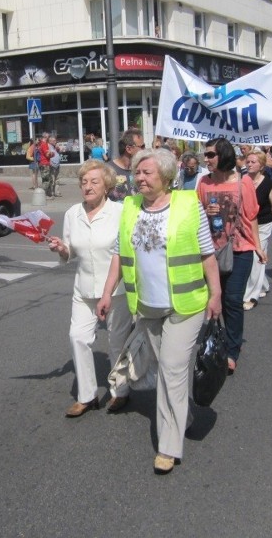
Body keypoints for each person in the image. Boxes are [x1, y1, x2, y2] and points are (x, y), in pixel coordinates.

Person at [97, 148, 221, 474]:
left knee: (171, 368)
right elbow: (120, 255)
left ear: (166, 177)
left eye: (147, 173)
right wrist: (108, 293)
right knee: (167, 372)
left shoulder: (188, 204)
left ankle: (168, 446)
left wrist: (216, 294)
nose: (139, 178)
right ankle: (186, 416)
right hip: (147, 307)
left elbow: (207, 254)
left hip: (186, 305)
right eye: (137, 173)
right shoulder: (130, 207)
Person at [47, 161, 133, 417]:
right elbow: (70, 252)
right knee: (78, 337)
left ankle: (121, 392)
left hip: (116, 290)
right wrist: (61, 248)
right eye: (84, 182)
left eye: (94, 182)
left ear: (106, 186)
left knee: (117, 342)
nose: (88, 186)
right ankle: (87, 396)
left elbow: (125, 252)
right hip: (83, 289)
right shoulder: (73, 213)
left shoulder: (120, 212)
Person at [198, 138, 264, 372]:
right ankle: (215, 339)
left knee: (232, 300)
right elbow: (196, 216)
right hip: (210, 251)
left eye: (210, 155)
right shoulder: (203, 183)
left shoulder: (243, 182)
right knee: (215, 298)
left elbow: (252, 215)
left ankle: (232, 350)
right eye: (205, 155)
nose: (206, 160)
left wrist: (258, 246)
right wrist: (205, 211)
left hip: (240, 249)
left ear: (223, 155)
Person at [242, 150, 272, 310]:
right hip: (245, 225)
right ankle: (264, 285)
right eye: (248, 161)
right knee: (248, 256)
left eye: (253, 162)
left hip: (263, 225)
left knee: (256, 257)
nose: (249, 164)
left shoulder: (268, 184)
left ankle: (251, 295)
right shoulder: (242, 180)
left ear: (261, 166)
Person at [108, 128, 145, 202]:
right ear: (128, 149)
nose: (144, 150)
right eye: (142, 146)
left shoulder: (141, 169)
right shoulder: (108, 170)